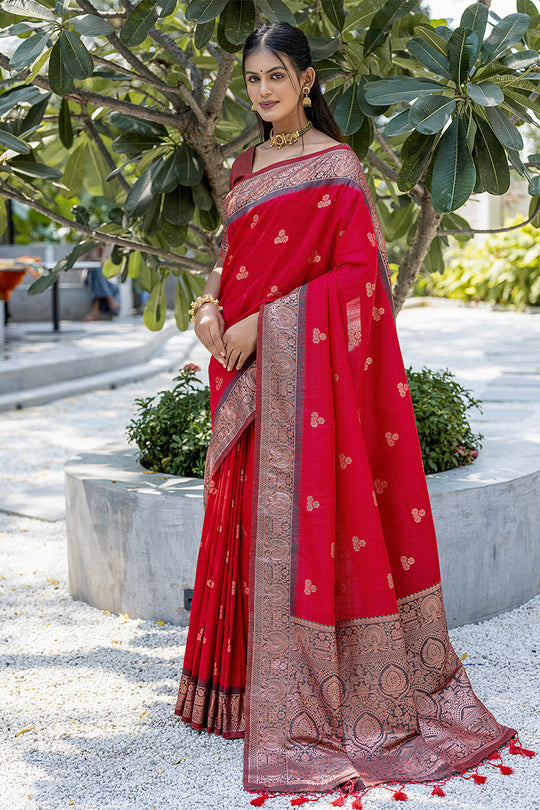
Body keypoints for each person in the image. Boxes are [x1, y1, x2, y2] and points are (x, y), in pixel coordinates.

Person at [175, 22, 525, 802]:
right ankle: (231, 694)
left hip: (295, 373)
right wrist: (208, 309)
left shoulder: (335, 167)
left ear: (306, 82)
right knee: (242, 517)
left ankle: (314, 688)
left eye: (277, 77)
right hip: (238, 370)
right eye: (254, 79)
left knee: (303, 524)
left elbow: (360, 284)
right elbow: (229, 262)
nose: (264, 92)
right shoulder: (245, 164)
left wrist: (259, 326)